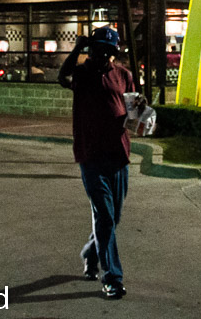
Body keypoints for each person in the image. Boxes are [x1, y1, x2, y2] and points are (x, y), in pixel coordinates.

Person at [58, 26, 135, 300]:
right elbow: (62, 76)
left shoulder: (124, 75)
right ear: (92, 49)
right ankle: (112, 278)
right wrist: (78, 47)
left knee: (113, 218)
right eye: (99, 49)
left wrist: (142, 117)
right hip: (91, 155)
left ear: (114, 53)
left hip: (119, 155)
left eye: (108, 51)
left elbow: (133, 111)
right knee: (105, 215)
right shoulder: (82, 73)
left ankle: (91, 253)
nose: (103, 55)